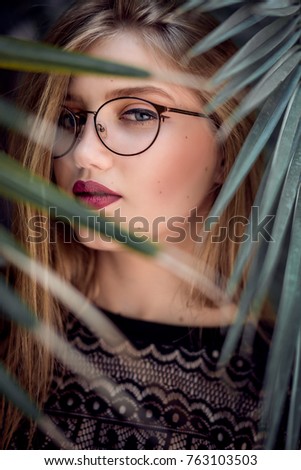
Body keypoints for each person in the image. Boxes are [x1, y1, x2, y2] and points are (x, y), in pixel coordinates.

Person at [1, 0, 270, 450]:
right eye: (68, 117)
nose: (83, 151)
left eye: (137, 113)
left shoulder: (280, 382)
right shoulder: (13, 326)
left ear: (226, 146)